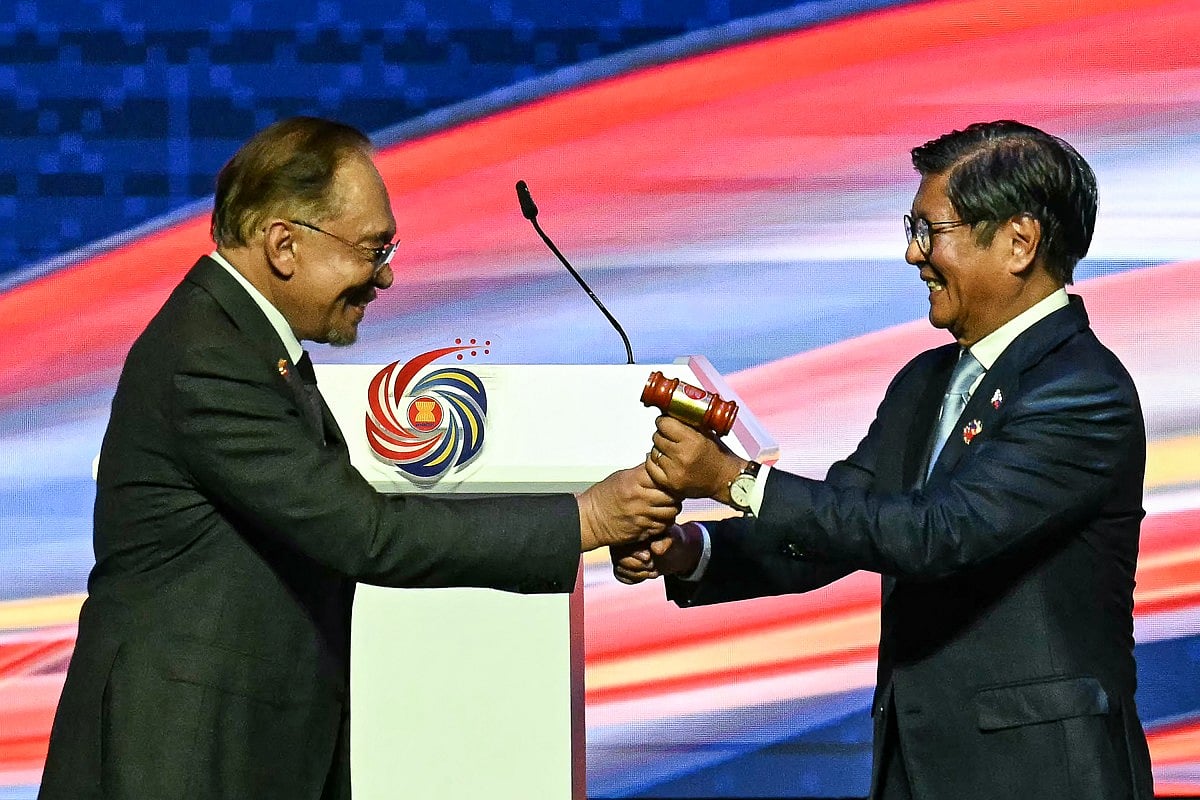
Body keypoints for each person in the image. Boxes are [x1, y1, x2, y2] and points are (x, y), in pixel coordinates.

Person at [38, 116, 678, 800]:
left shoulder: (247, 343)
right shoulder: (208, 360)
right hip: (182, 756)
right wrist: (587, 518)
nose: (388, 276)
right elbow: (366, 533)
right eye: (373, 249)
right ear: (284, 244)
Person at [614, 121, 1153, 800]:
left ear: (1019, 243)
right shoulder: (926, 381)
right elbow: (837, 529)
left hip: (1041, 776)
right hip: (917, 771)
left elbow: (938, 534)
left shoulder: (1079, 390)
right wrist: (688, 549)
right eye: (912, 228)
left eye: (932, 231)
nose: (911, 253)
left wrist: (732, 479)